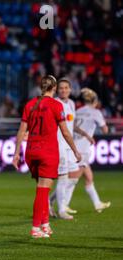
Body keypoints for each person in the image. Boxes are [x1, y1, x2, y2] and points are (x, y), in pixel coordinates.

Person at [12, 75, 81, 239]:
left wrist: (16, 153)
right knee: (43, 191)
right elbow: (65, 132)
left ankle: (45, 224)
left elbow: (22, 131)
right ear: (54, 88)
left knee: (42, 188)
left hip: (31, 151)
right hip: (47, 152)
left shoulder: (30, 104)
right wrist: (75, 150)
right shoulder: (57, 105)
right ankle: (36, 228)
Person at [63, 88, 111, 213]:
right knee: (73, 178)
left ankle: (97, 203)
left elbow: (72, 126)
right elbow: (105, 130)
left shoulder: (78, 111)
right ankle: (58, 203)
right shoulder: (96, 112)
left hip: (73, 145)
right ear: (95, 101)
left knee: (89, 177)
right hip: (83, 148)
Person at [48, 79, 79, 220]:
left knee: (74, 177)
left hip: (69, 146)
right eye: (61, 88)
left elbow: (71, 126)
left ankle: (50, 200)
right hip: (59, 145)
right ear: (56, 89)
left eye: (66, 88)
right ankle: (61, 210)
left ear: (70, 89)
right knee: (63, 178)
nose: (64, 90)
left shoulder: (71, 104)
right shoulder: (54, 104)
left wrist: (83, 135)